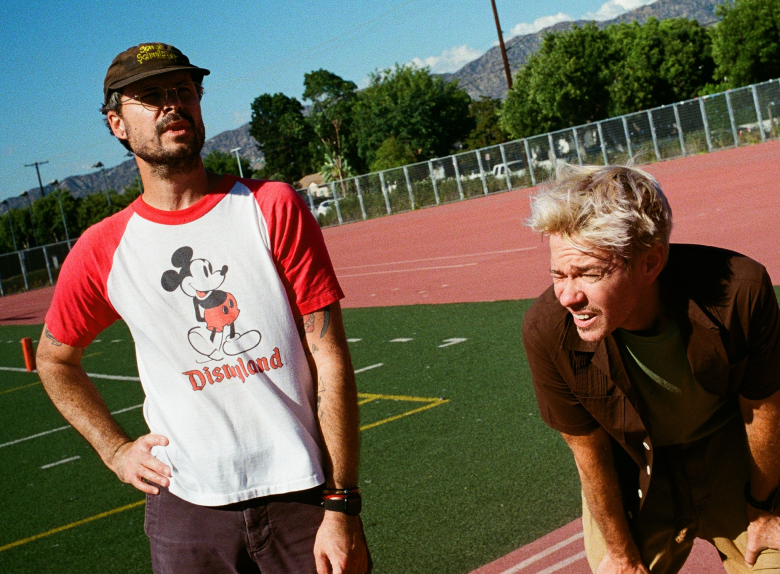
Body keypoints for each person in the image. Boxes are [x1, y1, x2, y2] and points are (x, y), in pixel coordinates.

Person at [36, 42, 370, 574]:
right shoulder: (103, 247)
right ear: (117, 124)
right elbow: (55, 360)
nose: (173, 104)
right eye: (150, 96)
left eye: (184, 91)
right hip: (186, 509)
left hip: (302, 496)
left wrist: (340, 502)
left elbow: (329, 355)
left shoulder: (271, 206)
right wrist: (115, 450)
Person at [521, 164, 780, 574]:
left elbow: (764, 408)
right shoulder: (548, 330)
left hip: (730, 449)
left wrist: (764, 509)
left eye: (588, 273)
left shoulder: (740, 292)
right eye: (557, 273)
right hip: (632, 464)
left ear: (650, 262)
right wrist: (622, 556)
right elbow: (589, 454)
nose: (568, 295)